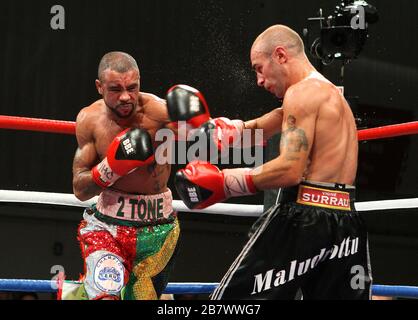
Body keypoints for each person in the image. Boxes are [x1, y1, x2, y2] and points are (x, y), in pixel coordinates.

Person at [172, 25, 372, 299]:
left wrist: (227, 184)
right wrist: (218, 131)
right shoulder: (327, 94)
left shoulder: (300, 94)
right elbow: (259, 127)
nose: (259, 80)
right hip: (345, 221)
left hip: (304, 218)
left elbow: (290, 169)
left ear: (280, 55)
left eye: (259, 68)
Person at [69, 52, 209, 300]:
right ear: (99, 87)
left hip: (158, 231)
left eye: (132, 87)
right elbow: (80, 190)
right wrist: (111, 167)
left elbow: (210, 138)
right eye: (115, 89)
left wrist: (198, 122)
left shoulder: (160, 114)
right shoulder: (89, 120)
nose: (125, 96)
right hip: (107, 228)